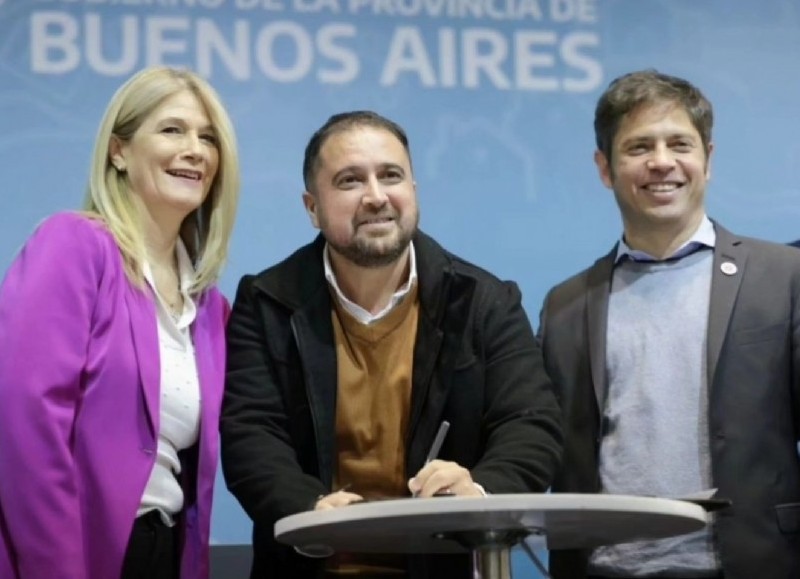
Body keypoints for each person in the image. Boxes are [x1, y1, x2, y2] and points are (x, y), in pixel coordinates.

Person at [220, 110, 562, 578]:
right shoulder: (267, 302)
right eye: (349, 181)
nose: (376, 196)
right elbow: (251, 434)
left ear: (414, 193)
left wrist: (478, 491)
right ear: (312, 207)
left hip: (444, 563)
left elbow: (532, 425)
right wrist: (307, 510)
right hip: (314, 563)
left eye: (391, 176)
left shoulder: (484, 301)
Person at [539, 69, 800, 579]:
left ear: (708, 158)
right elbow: (538, 438)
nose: (661, 163)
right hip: (604, 569)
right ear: (605, 168)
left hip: (753, 563)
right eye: (638, 147)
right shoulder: (565, 305)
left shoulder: (783, 277)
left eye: (679, 143)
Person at [0, 66, 240, 579]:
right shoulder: (74, 246)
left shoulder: (212, 311)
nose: (196, 149)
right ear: (119, 151)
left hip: (162, 554)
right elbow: (25, 419)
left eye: (208, 137)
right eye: (172, 130)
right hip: (67, 555)